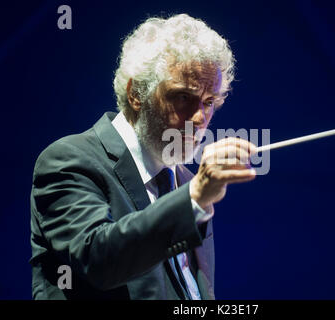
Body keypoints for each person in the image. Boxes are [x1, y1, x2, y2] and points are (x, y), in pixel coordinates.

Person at [29, 13, 256, 300]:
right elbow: (99, 260)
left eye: (209, 102)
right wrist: (194, 197)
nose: (200, 117)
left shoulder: (186, 179)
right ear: (137, 93)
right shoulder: (69, 159)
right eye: (183, 97)